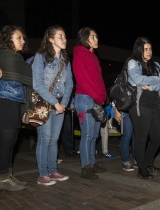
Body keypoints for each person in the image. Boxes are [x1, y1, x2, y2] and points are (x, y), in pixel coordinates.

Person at [32, 25, 73, 186]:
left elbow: (69, 85)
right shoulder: (40, 57)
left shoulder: (65, 60)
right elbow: (37, 84)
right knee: (45, 138)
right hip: (45, 103)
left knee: (54, 139)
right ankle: (42, 174)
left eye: (64, 36)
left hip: (60, 105)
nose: (64, 39)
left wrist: (63, 103)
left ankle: (53, 171)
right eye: (60, 36)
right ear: (50, 39)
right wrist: (55, 103)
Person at [127, 37, 160, 179]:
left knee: (157, 137)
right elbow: (137, 79)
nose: (149, 52)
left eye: (150, 49)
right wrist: (156, 79)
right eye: (145, 49)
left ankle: (149, 161)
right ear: (139, 49)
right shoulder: (133, 63)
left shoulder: (156, 65)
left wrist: (151, 86)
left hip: (155, 103)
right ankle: (141, 168)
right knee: (141, 138)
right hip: (140, 104)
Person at [0, 25, 33, 191]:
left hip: (14, 101)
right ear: (8, 39)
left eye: (23, 38)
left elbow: (27, 81)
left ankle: (8, 174)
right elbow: (29, 79)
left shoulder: (17, 58)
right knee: (5, 142)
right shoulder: (7, 56)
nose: (22, 41)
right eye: (18, 37)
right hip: (5, 101)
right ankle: (3, 178)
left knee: (12, 141)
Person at [73, 27, 107, 180]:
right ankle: (85, 167)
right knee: (87, 134)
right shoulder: (80, 54)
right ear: (86, 39)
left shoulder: (93, 56)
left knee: (94, 135)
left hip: (96, 99)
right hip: (85, 98)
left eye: (96, 36)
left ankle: (91, 164)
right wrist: (98, 96)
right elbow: (83, 80)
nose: (97, 39)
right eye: (93, 37)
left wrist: (103, 96)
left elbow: (98, 80)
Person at [114, 104, 136, 171]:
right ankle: (125, 162)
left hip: (137, 110)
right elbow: (116, 95)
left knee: (136, 137)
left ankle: (137, 160)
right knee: (126, 136)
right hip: (126, 111)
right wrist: (117, 110)